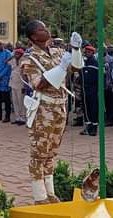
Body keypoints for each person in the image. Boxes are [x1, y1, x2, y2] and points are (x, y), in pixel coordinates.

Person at [20, 21, 80, 204]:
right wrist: (61, 68)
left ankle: (50, 193)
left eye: (45, 27)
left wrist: (76, 50)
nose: (46, 30)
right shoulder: (29, 59)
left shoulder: (57, 52)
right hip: (43, 110)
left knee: (51, 153)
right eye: (40, 29)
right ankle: (39, 196)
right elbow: (38, 84)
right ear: (33, 37)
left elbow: (76, 68)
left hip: (59, 108)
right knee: (39, 153)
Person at [79, 44, 99, 136]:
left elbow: (99, 78)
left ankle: (94, 128)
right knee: (86, 108)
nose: (87, 53)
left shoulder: (95, 63)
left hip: (93, 90)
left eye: (89, 52)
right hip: (84, 89)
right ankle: (88, 126)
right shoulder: (83, 63)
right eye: (86, 51)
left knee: (93, 108)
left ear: (93, 53)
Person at [8, 48, 27, 125]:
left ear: (21, 54)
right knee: (14, 101)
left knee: (21, 101)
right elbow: (5, 62)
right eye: (15, 54)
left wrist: (25, 85)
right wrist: (12, 56)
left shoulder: (24, 61)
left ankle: (23, 118)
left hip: (21, 83)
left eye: (17, 54)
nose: (16, 55)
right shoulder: (13, 60)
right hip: (13, 82)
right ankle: (17, 117)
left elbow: (25, 74)